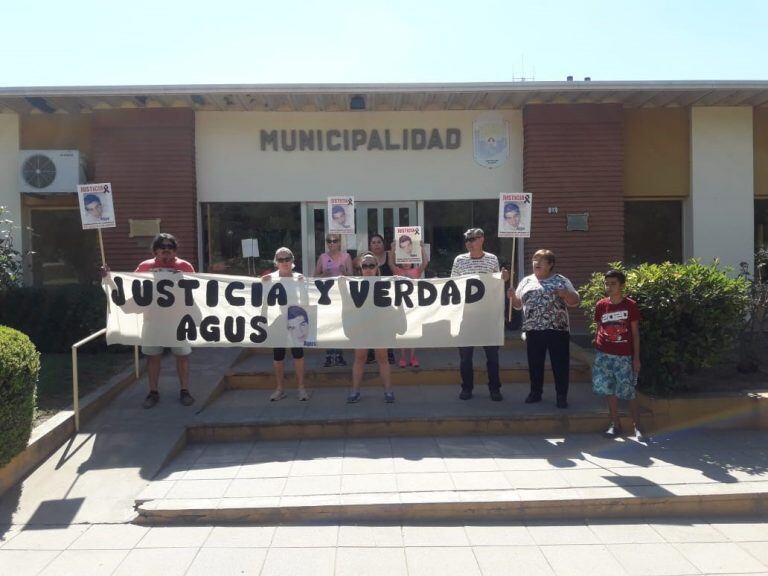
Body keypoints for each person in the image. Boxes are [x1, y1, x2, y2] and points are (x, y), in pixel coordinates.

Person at [509, 249, 580, 409]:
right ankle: (535, 392)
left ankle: (561, 396)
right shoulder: (526, 281)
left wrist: (565, 294)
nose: (536, 263)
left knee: (560, 364)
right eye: (535, 260)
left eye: (541, 260)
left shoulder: (561, 280)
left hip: (557, 330)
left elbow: (575, 301)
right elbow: (518, 305)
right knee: (535, 364)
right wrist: (513, 297)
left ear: (551, 264)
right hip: (533, 330)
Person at [134, 233, 196, 409]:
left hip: (178, 319)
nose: (167, 251)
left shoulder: (185, 266)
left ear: (175, 250)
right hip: (153, 319)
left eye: (171, 248)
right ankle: (153, 392)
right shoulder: (144, 267)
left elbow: (197, 289)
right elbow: (131, 286)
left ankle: (184, 390)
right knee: (153, 358)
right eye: (163, 248)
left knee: (182, 356)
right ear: (156, 250)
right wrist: (108, 277)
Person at [451, 228, 509, 401]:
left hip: (488, 316)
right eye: (466, 240)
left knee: (492, 355)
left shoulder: (492, 259)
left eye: (472, 239)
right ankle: (466, 387)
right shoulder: (459, 260)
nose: (469, 243)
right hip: (466, 315)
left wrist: (503, 278)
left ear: (482, 239)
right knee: (465, 356)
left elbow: (495, 286)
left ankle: (495, 388)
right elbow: (453, 284)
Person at [592, 269, 644, 440]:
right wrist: (598, 350)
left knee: (628, 391)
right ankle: (615, 424)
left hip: (623, 355)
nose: (609, 286)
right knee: (609, 390)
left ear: (622, 285)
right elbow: (599, 327)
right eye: (607, 283)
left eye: (613, 283)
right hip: (604, 354)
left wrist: (636, 358)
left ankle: (637, 426)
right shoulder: (601, 305)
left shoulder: (630, 305)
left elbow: (635, 333)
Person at [262, 248, 310, 402]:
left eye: (287, 259)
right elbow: (262, 303)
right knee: (278, 356)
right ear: (276, 262)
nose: (284, 263)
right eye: (281, 260)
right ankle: (280, 388)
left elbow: (306, 302)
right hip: (277, 321)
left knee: (298, 354)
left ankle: (301, 388)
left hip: (296, 320)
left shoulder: (299, 279)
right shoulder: (269, 279)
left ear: (292, 260)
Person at [347, 251, 394, 404]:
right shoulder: (353, 284)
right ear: (360, 267)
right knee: (360, 358)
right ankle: (355, 391)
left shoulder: (386, 283)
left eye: (371, 265)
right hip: (361, 327)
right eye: (364, 265)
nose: (368, 268)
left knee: (382, 358)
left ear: (376, 267)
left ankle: (388, 391)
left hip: (380, 327)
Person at [315, 233, 352, 367]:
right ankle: (329, 355)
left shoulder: (346, 257)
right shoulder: (322, 257)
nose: (331, 243)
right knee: (329, 325)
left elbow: (352, 277)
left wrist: (344, 272)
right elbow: (314, 277)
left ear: (339, 243)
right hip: (326, 296)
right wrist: (324, 274)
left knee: (340, 325)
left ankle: (339, 355)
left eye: (334, 241)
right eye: (329, 241)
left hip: (341, 296)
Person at [390, 241, 429, 368]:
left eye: (408, 260)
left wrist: (422, 248)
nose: (406, 262)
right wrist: (393, 249)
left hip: (414, 306)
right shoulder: (397, 271)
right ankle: (402, 357)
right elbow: (390, 262)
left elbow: (425, 262)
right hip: (401, 306)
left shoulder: (416, 271)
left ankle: (412, 357)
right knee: (402, 332)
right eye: (403, 260)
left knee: (413, 331)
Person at [365, 234, 395, 364]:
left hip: (387, 297)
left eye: (379, 242)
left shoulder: (390, 255)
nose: (376, 244)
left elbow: (395, 270)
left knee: (387, 326)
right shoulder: (366, 259)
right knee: (370, 325)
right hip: (370, 298)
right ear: (370, 246)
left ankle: (388, 352)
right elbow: (355, 263)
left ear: (384, 244)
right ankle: (371, 352)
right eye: (373, 242)